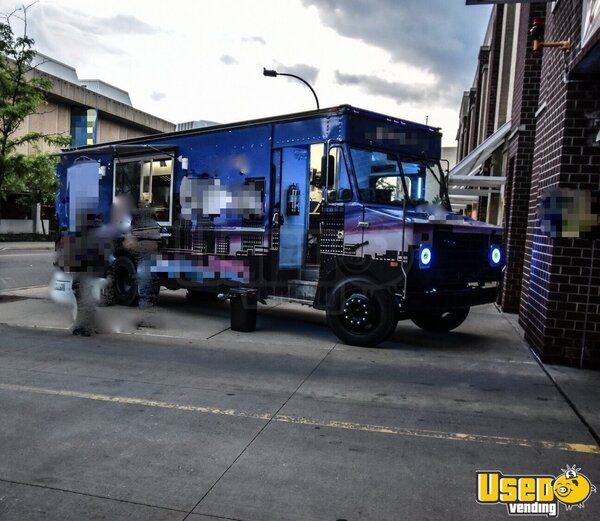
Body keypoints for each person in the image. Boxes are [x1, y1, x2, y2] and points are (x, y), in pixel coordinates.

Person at [124, 201, 162, 327]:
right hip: (150, 251)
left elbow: (130, 239)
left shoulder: (137, 217)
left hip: (145, 253)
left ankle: (147, 318)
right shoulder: (150, 218)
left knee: (145, 284)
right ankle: (148, 317)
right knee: (149, 285)